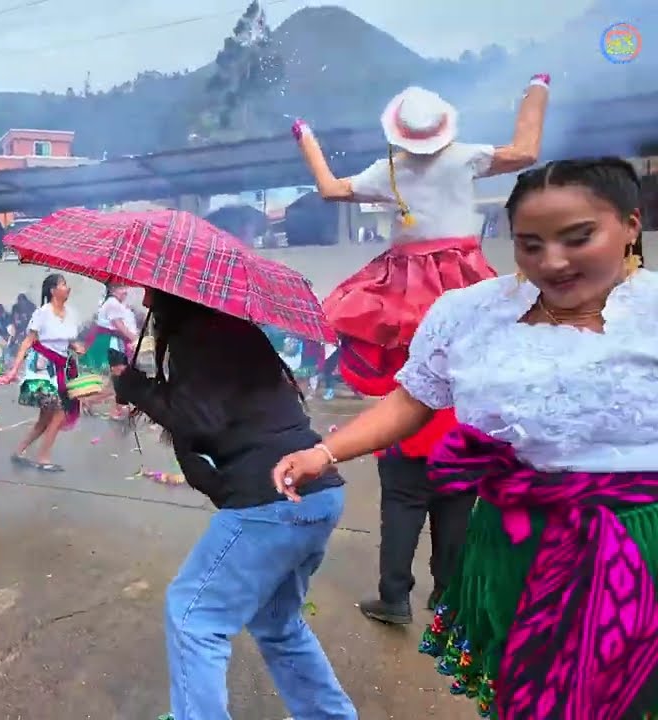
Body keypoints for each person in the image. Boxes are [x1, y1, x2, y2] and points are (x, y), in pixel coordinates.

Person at [273, 157, 656, 720]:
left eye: (579, 238)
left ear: (630, 225)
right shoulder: (472, 311)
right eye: (529, 244)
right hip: (511, 538)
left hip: (636, 537)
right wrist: (324, 452)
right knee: (526, 691)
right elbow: (413, 398)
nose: (553, 262)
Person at [293, 76, 550, 624]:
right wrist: (535, 89)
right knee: (456, 495)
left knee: (396, 353)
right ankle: (448, 600)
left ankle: (395, 597)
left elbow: (332, 190)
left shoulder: (388, 170)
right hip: (461, 275)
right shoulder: (463, 158)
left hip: (405, 284)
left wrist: (305, 138)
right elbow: (527, 150)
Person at [114, 289, 355, 720]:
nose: (147, 305)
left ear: (176, 295)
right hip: (315, 495)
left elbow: (200, 421)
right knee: (278, 625)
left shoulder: (197, 337)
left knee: (193, 616)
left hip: (272, 501)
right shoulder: (233, 331)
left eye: (152, 295)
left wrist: (139, 389)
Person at [0, 274, 83, 472]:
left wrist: (75, 346)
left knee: (45, 418)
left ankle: (19, 451)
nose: (67, 288)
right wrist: (14, 370)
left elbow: (65, 339)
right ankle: (43, 458)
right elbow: (29, 341)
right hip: (41, 369)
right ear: (53, 291)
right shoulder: (43, 313)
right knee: (59, 413)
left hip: (61, 368)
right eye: (63, 285)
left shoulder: (70, 313)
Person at [81, 283, 140, 374]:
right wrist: (135, 339)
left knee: (103, 370)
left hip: (106, 339)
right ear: (112, 289)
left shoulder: (113, 303)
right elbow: (119, 326)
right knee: (115, 370)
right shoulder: (113, 303)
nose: (125, 291)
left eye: (125, 287)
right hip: (110, 342)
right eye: (121, 288)